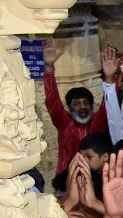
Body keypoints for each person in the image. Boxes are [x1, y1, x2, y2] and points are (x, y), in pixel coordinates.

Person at [43, 38, 108, 172]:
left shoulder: (99, 119)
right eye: (77, 104)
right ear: (69, 107)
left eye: (86, 103)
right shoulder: (63, 121)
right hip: (68, 179)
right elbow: (52, 100)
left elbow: (111, 102)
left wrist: (111, 77)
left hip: (97, 178)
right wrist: (49, 68)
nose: (82, 107)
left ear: (92, 106)